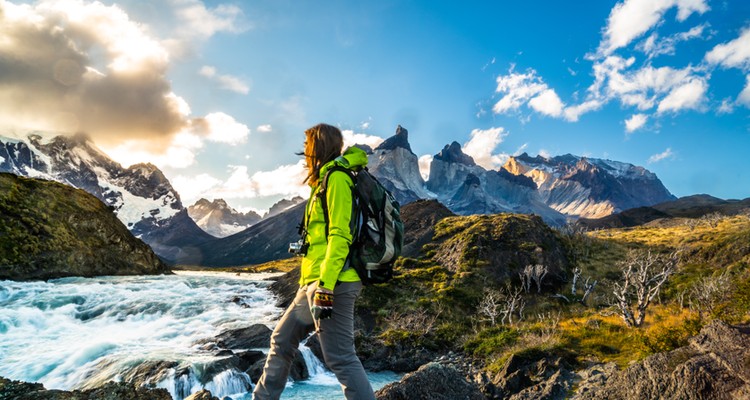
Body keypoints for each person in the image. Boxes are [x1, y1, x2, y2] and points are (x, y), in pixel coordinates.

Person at [253, 123, 375, 400]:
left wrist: (326, 285)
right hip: (311, 282)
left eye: (308, 146)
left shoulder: (337, 179)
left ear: (318, 147)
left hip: (334, 283)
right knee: (282, 341)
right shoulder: (322, 181)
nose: (305, 152)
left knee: (341, 358)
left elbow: (340, 234)